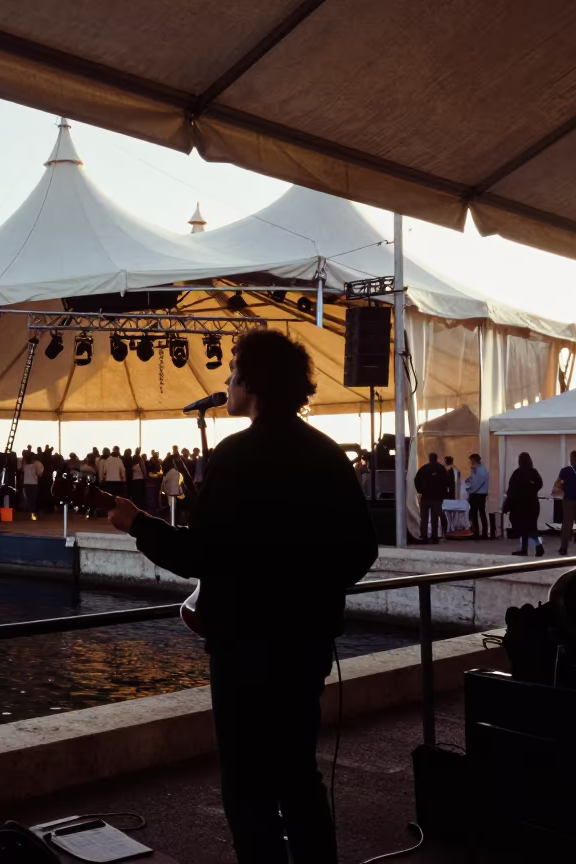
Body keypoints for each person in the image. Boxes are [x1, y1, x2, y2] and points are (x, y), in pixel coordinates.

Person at [108, 329, 377, 864]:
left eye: (231, 373)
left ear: (252, 382)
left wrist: (139, 524)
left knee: (248, 786)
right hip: (306, 644)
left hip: (246, 650)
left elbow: (199, 555)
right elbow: (361, 551)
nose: (225, 382)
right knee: (299, 777)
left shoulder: (236, 454)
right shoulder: (326, 453)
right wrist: (307, 593)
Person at [503, 452, 544, 557]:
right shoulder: (533, 472)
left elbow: (512, 490)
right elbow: (540, 484)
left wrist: (506, 505)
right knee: (531, 527)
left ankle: (524, 549)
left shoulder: (517, 473)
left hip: (520, 505)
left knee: (522, 528)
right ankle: (537, 546)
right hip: (533, 504)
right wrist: (532, 490)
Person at [554, 450, 576, 557]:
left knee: (567, 524)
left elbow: (558, 484)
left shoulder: (565, 471)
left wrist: (565, 489)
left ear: (572, 457)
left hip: (568, 500)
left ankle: (564, 549)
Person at [414, 453, 449, 544]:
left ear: (429, 459)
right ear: (436, 458)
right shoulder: (441, 469)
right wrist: (443, 493)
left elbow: (416, 480)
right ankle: (434, 537)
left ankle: (424, 536)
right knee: (435, 518)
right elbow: (447, 481)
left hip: (426, 497)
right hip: (437, 498)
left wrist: (420, 490)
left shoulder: (424, 468)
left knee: (424, 518)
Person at [465, 454, 490, 539]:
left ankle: (483, 533)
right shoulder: (475, 469)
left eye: (471, 460)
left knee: (481, 513)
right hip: (475, 493)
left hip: (479, 494)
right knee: (474, 513)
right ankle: (475, 532)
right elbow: (472, 480)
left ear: (474, 460)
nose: (470, 462)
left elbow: (478, 483)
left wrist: (471, 491)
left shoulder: (482, 469)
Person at [20, 451, 41, 520]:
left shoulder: (25, 467)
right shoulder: (34, 466)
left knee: (29, 499)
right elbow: (38, 474)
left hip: (26, 483)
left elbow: (20, 468)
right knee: (34, 499)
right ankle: (33, 513)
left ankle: (31, 511)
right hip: (34, 484)